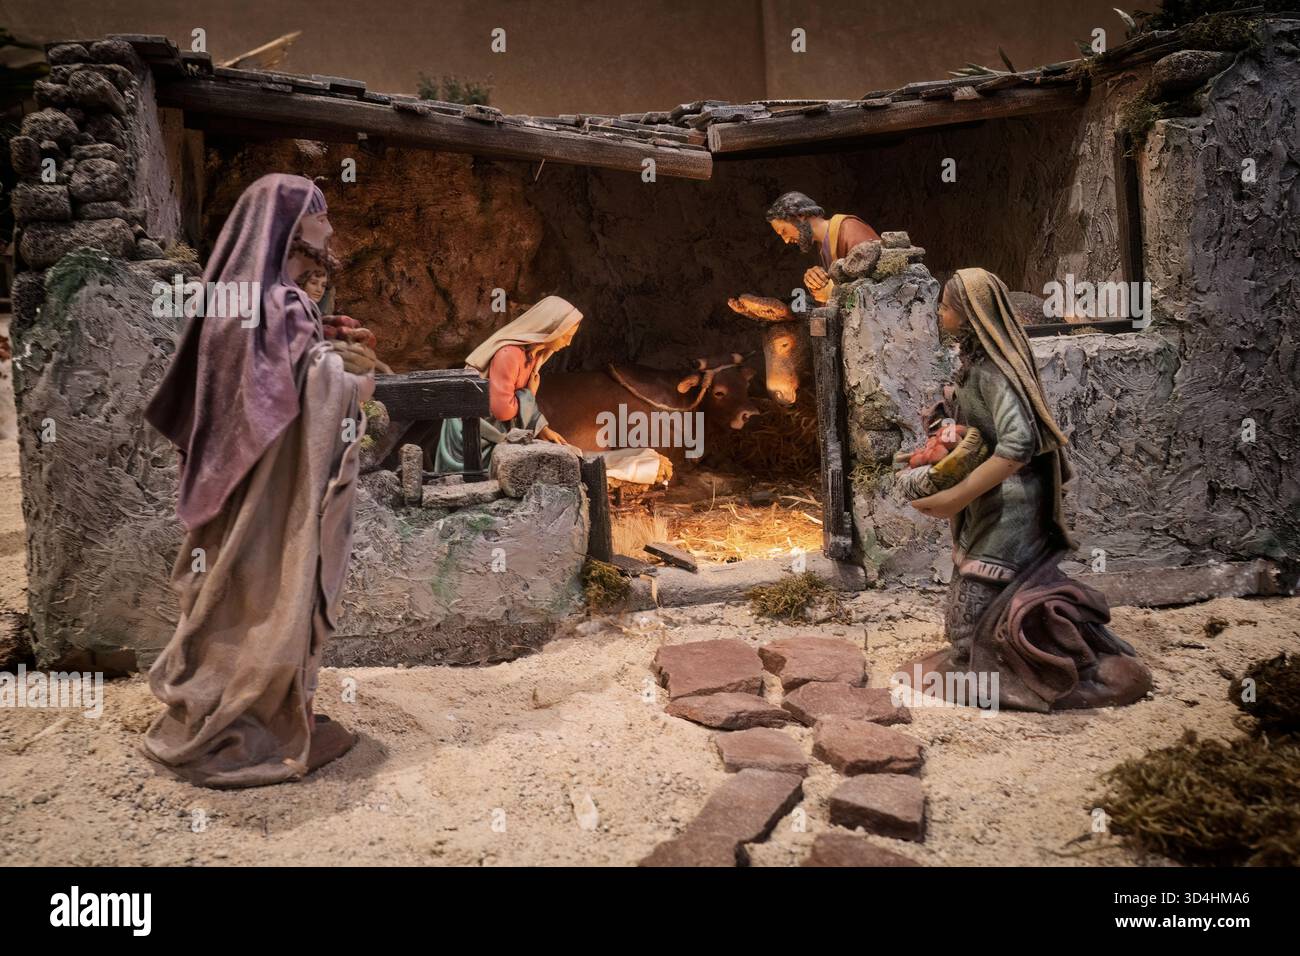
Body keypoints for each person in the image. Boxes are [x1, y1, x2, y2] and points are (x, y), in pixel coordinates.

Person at [142, 174, 382, 788]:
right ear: (290, 226)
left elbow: (260, 385)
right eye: (319, 213)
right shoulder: (280, 304)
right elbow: (299, 396)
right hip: (272, 504)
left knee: (237, 594)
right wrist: (355, 382)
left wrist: (324, 346)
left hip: (243, 494)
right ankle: (255, 715)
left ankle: (251, 702)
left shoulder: (248, 301)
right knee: (271, 594)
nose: (330, 226)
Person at [905, 267, 1152, 712]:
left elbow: (1017, 444)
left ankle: (1029, 667)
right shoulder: (975, 367)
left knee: (973, 605)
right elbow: (985, 430)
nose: (939, 313)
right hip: (990, 501)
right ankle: (994, 660)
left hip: (1011, 504)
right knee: (975, 595)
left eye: (945, 306)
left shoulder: (994, 375)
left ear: (969, 314)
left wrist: (954, 497)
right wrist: (952, 435)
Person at [434, 296, 582, 472]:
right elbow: (503, 411)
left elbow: (516, 403)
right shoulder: (508, 354)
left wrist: (542, 429)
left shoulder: (532, 356)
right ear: (552, 328)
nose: (568, 343)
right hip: (473, 439)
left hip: (496, 432)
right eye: (566, 335)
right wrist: (529, 394)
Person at [765, 191, 880, 304]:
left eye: (783, 231)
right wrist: (815, 280)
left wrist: (832, 293)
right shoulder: (822, 247)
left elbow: (876, 291)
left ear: (800, 216)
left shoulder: (849, 229)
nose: (786, 240)